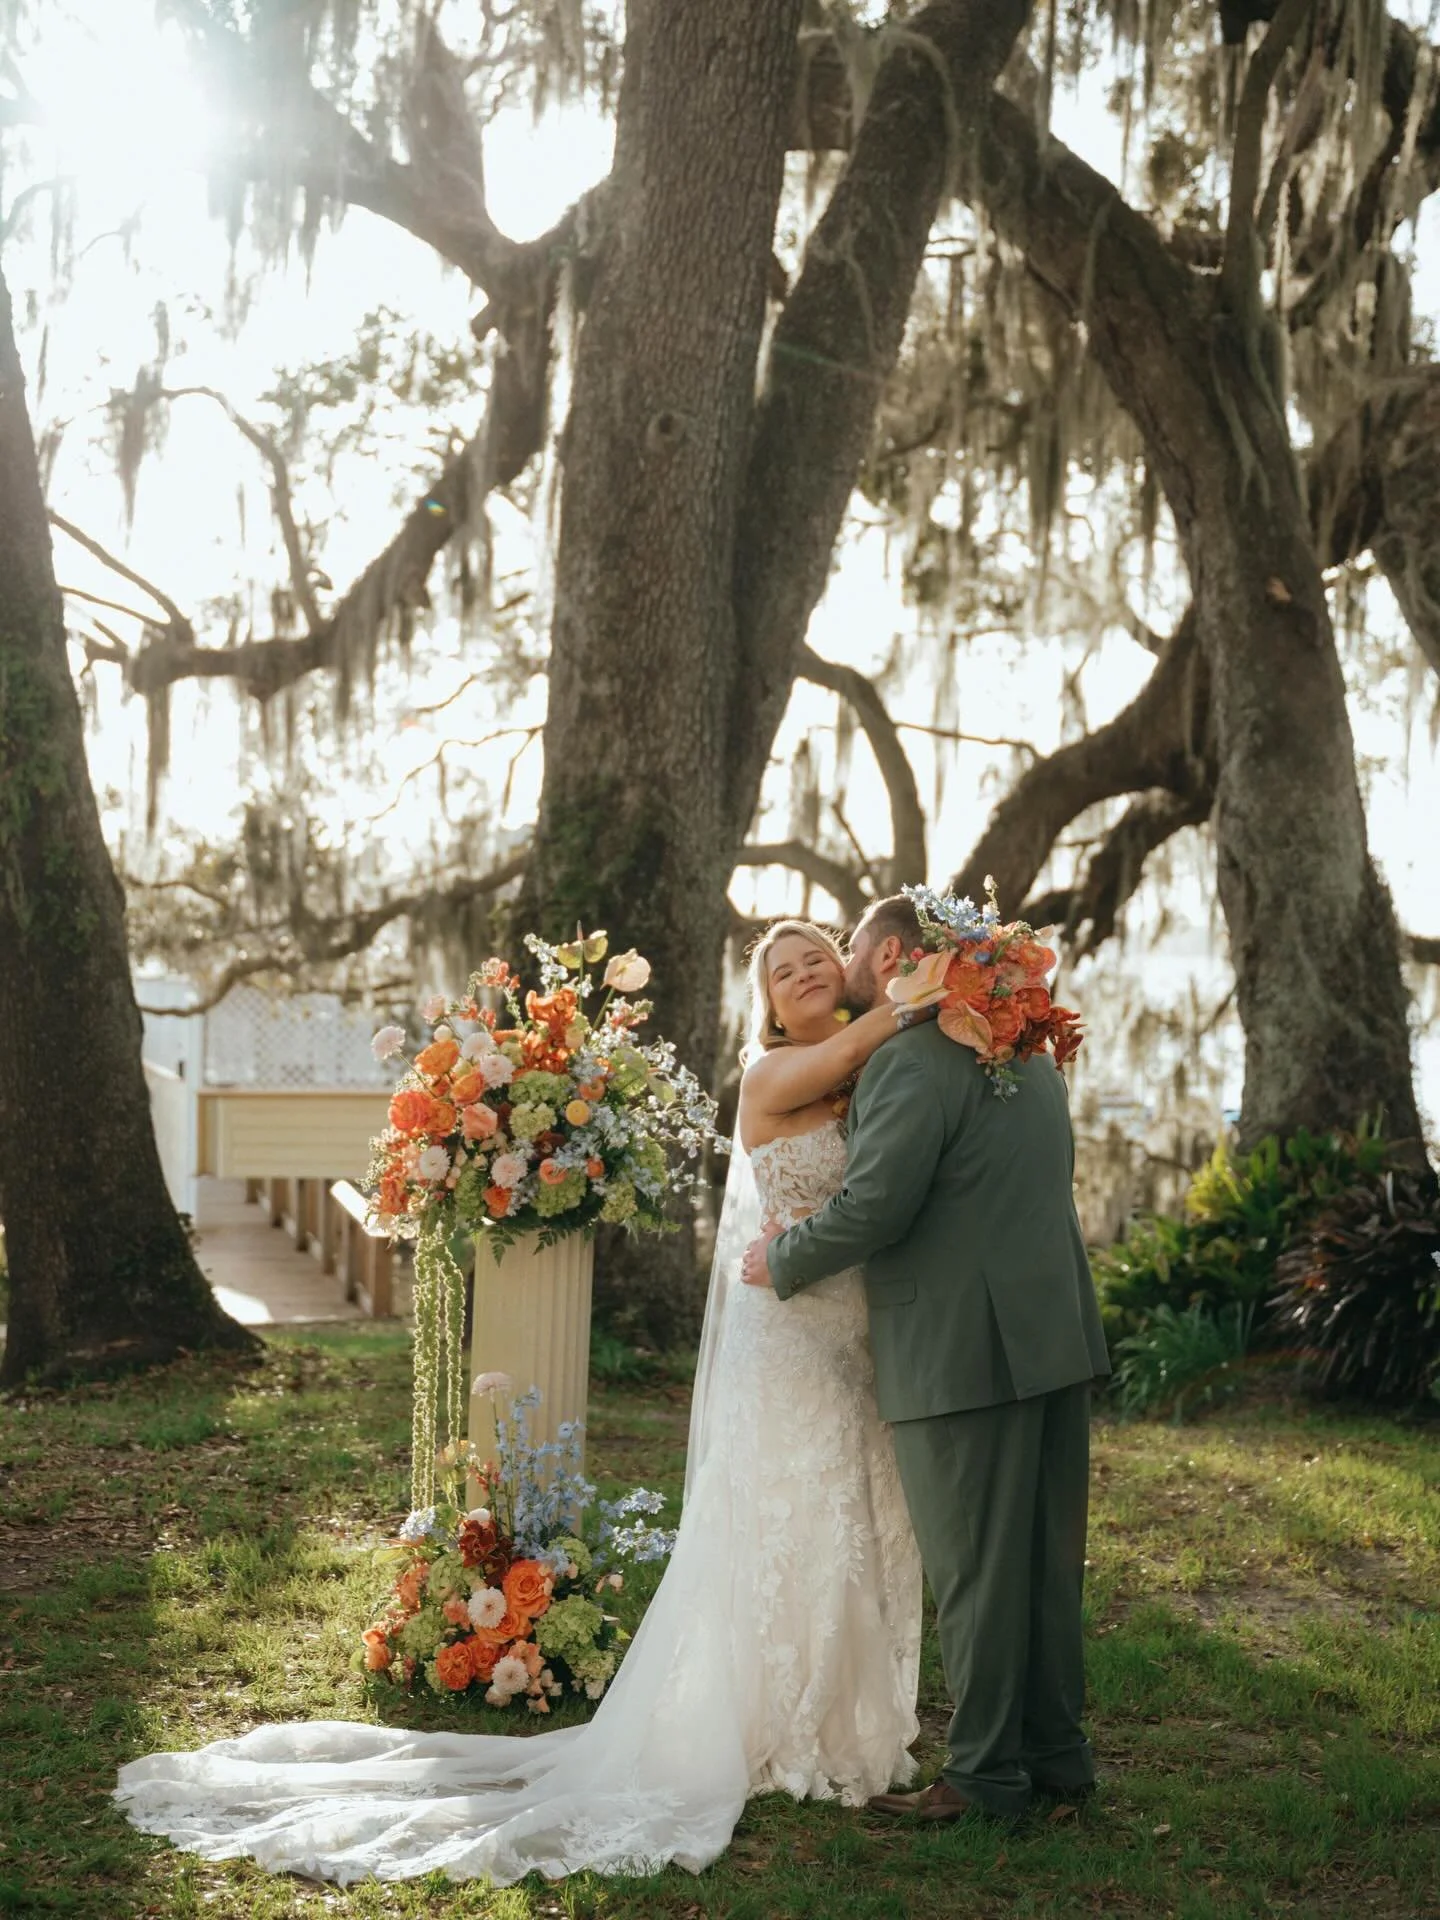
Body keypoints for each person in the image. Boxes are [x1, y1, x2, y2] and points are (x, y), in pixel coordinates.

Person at [114, 920, 923, 1885]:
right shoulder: (772, 1073)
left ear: (844, 969)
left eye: (815, 960)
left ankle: (837, 1716)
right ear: (767, 1003)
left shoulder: (866, 1071)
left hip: (847, 1328)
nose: (800, 976)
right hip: (783, 1331)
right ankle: (775, 1726)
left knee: (842, 1516)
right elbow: (849, 1049)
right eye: (781, 971)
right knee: (794, 1508)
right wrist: (916, 999)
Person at [741, 893, 1110, 1823]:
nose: (837, 968)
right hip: (1051, 1335)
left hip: (961, 1349)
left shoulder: (911, 1058)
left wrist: (780, 1257)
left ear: (891, 955)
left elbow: (874, 1210)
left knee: (981, 1576)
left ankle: (986, 1780)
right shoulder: (1022, 1045)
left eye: (845, 952)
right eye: (794, 966)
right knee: (1041, 1564)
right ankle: (1057, 1755)